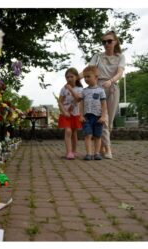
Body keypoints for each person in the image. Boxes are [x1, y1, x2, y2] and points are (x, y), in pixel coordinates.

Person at [82, 30, 125, 159]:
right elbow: (87, 71)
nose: (106, 44)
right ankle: (107, 149)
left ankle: (101, 148)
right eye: (104, 42)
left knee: (108, 121)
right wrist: (73, 80)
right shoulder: (97, 56)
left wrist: (111, 81)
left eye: (109, 41)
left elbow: (120, 73)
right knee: (102, 119)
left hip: (112, 88)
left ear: (115, 42)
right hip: (98, 88)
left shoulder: (120, 57)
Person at [79, 66, 107, 161]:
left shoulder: (101, 90)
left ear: (96, 77)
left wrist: (103, 116)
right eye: (85, 77)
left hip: (98, 117)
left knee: (97, 136)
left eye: (88, 76)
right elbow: (81, 104)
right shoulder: (84, 91)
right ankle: (88, 154)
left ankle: (97, 153)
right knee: (88, 135)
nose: (86, 79)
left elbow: (104, 104)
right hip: (87, 117)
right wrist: (81, 115)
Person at [58, 67, 83, 160]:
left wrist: (71, 90)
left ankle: (74, 151)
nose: (69, 79)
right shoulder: (63, 89)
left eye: (71, 76)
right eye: (67, 77)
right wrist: (64, 111)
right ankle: (69, 152)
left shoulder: (80, 89)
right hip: (66, 114)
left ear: (76, 77)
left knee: (74, 132)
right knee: (68, 131)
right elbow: (60, 101)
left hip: (75, 114)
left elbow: (78, 99)